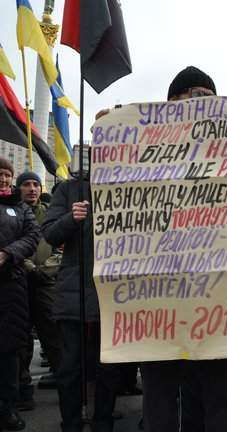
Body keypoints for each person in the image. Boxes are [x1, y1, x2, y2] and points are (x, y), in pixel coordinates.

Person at [136, 66, 227, 432]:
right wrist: (111, 139)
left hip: (217, 299)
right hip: (158, 299)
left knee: (220, 395)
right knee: (161, 395)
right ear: (169, 104)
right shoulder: (143, 144)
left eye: (202, 96)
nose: (193, 103)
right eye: (185, 96)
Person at [43, 163, 122, 431]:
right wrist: (70, 218)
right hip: (74, 291)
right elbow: (50, 233)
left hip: (113, 291)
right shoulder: (68, 189)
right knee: (69, 367)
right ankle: (71, 423)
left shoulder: (124, 187)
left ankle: (103, 420)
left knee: (109, 367)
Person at [15, 171, 62, 411]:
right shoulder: (11, 212)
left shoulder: (50, 213)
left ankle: (67, 387)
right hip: (19, 284)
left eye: (36, 184)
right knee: (20, 341)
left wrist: (47, 270)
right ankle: (23, 393)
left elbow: (61, 248)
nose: (32, 189)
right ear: (18, 188)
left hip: (46, 284)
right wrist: (28, 267)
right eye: (26, 185)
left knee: (54, 336)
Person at [0, 157, 40, 431]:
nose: (3, 179)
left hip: (11, 286)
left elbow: (33, 236)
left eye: (6, 175)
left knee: (9, 350)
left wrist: (7, 253)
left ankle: (7, 408)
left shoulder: (20, 208)